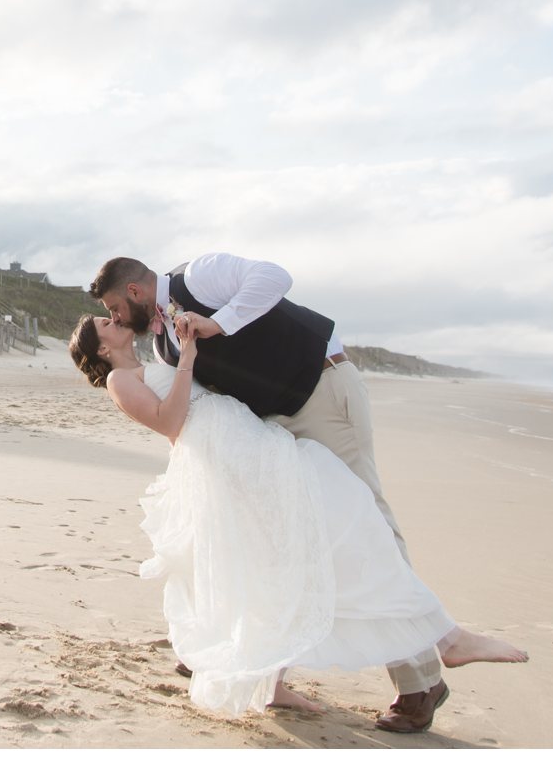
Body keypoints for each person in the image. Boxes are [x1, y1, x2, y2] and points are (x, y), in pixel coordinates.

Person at [69, 311, 527, 726]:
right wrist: (187, 359)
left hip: (240, 443)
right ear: (102, 349)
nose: (112, 319)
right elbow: (170, 424)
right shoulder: (119, 380)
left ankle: (274, 682)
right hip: (234, 454)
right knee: (334, 519)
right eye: (103, 324)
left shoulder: (152, 353)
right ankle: (445, 639)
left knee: (299, 546)